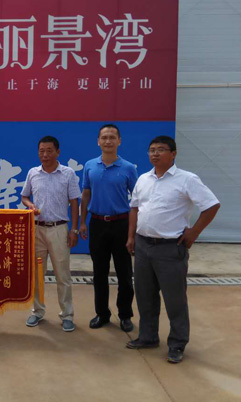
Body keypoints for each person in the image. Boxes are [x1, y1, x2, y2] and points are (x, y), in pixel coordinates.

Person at [126, 136, 220, 364]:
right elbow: (135, 208)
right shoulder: (143, 179)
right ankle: (148, 337)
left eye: (161, 150)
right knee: (145, 296)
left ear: (173, 153)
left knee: (174, 300)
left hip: (170, 249)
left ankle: (177, 343)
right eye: (152, 150)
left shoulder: (187, 179)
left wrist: (194, 232)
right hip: (143, 246)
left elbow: (211, 205)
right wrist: (130, 237)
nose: (155, 154)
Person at [80, 124, 138, 332]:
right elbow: (86, 194)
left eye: (112, 137)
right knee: (99, 273)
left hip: (121, 224)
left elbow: (137, 201)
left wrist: (132, 232)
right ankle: (102, 314)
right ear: (98, 141)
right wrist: (82, 222)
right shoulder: (90, 166)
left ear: (119, 141)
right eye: (104, 137)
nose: (108, 141)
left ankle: (125, 315)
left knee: (124, 273)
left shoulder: (128, 168)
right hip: (97, 224)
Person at [22, 136, 81, 332]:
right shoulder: (33, 173)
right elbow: (24, 196)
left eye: (49, 151)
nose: (45, 155)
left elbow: (75, 202)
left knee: (62, 275)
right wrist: (30, 205)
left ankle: (67, 315)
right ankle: (37, 311)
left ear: (58, 152)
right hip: (37, 229)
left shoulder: (68, 173)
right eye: (41, 151)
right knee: (37, 274)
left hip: (59, 229)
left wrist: (74, 229)